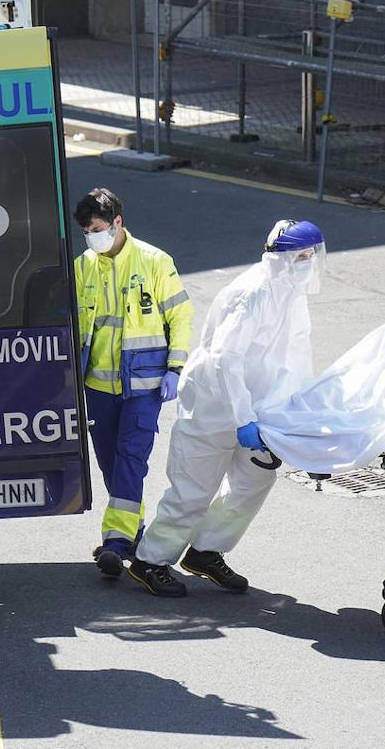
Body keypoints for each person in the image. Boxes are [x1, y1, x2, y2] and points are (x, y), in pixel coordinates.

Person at [128, 219, 325, 597]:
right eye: (302, 255)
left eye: (312, 254)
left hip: (260, 408)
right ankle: (150, 560)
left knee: (253, 482)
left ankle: (206, 551)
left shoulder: (292, 294)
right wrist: (243, 418)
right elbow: (226, 360)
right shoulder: (252, 294)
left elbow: (295, 355)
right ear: (279, 258)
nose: (309, 261)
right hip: (214, 406)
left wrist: (298, 406)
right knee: (193, 490)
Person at [73, 188, 193, 578]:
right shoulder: (84, 265)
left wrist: (175, 368)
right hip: (97, 386)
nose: (93, 237)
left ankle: (116, 540)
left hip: (144, 384)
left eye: (98, 228)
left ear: (118, 222)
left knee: (131, 457)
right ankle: (134, 529)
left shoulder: (154, 261)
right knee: (110, 463)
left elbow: (181, 316)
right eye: (87, 232)